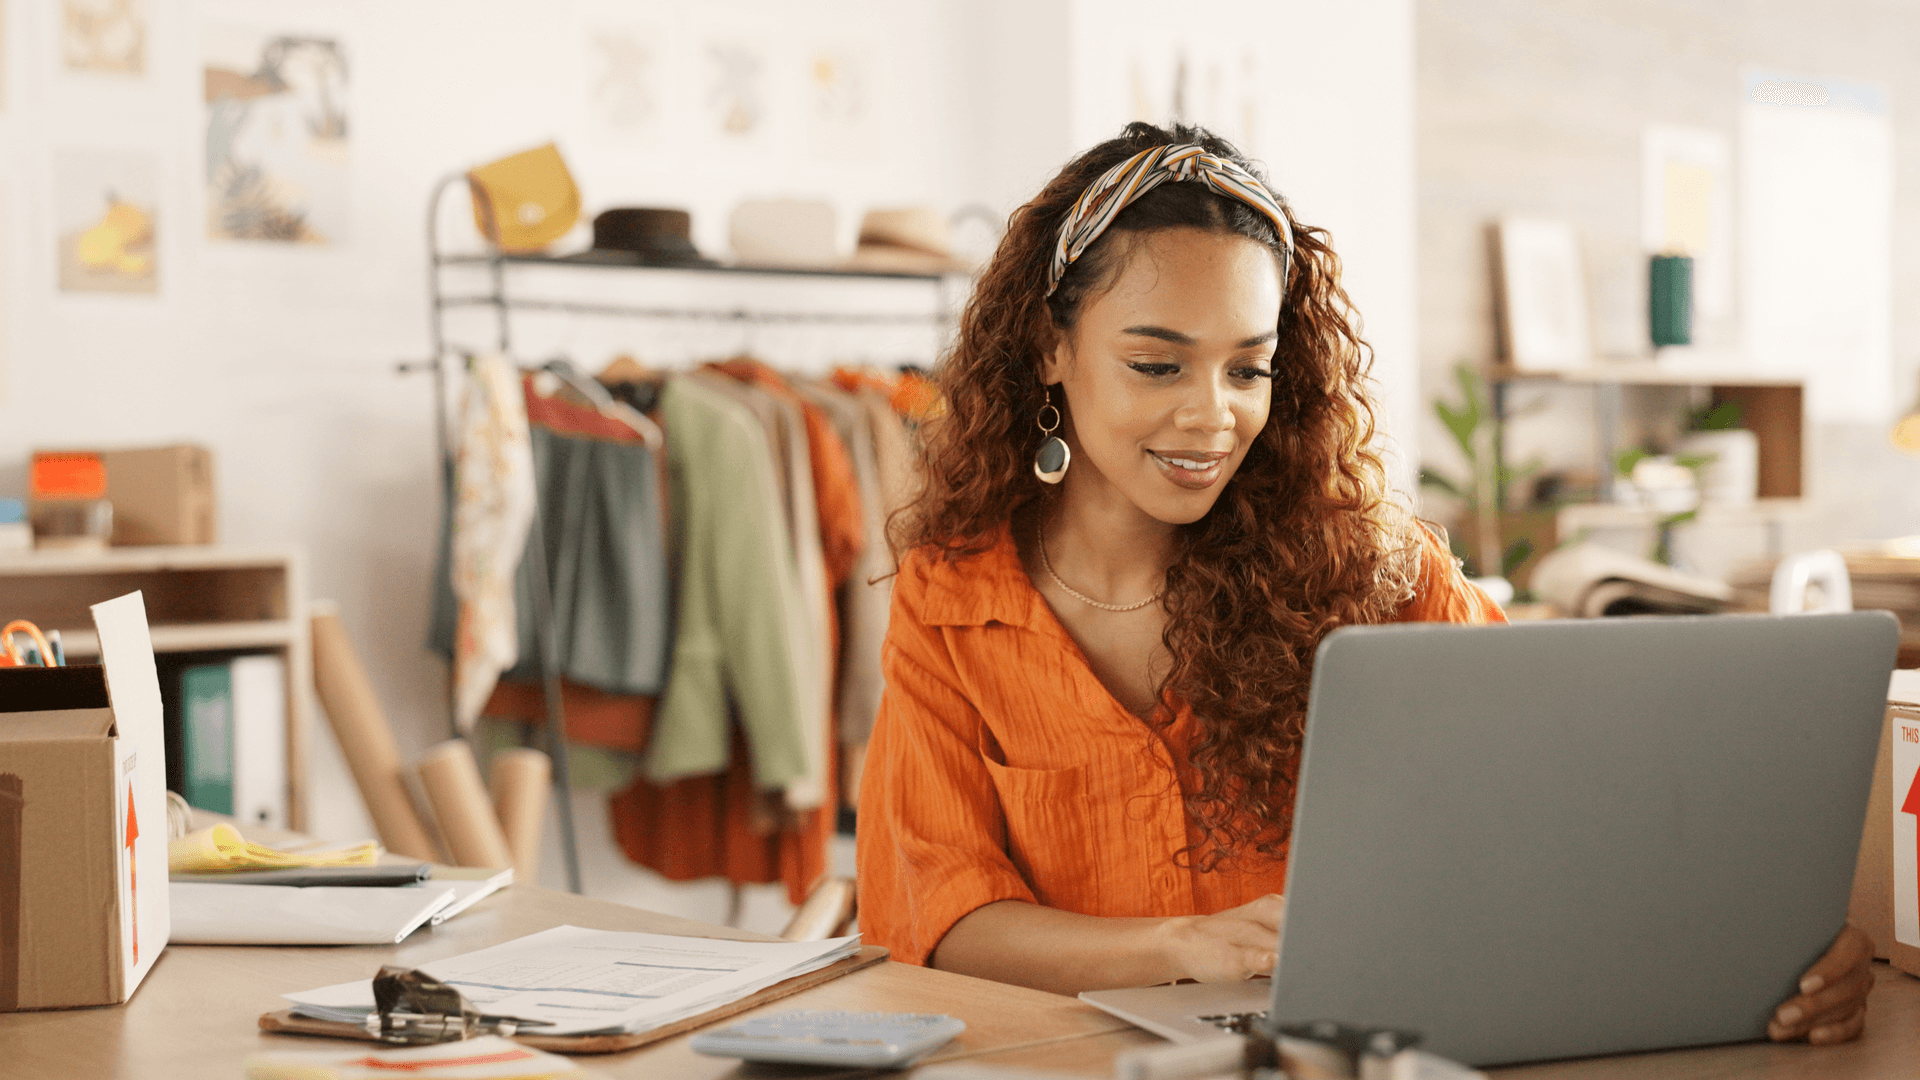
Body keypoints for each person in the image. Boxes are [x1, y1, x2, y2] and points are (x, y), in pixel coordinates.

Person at [854, 122, 1873, 1045]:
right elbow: (939, 916)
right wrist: (1177, 946)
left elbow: (1577, 803)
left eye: (1248, 369)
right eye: (1158, 366)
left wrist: (1776, 945)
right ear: (1050, 348)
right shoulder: (953, 601)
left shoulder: (1374, 574)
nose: (1213, 417)